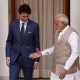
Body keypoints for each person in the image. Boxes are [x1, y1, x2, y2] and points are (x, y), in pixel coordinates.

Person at [29, 14, 80, 80]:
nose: (54, 25)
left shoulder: (72, 34)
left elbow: (75, 53)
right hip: (56, 69)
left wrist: (65, 69)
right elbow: (54, 48)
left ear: (62, 23)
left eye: (56, 24)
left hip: (68, 71)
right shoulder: (57, 32)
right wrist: (41, 53)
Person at [6, 3, 40, 80]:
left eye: (27, 16)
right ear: (19, 14)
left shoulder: (34, 26)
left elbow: (37, 44)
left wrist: (37, 60)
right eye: (23, 16)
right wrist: (8, 56)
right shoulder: (13, 24)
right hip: (14, 59)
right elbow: (9, 41)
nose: (25, 18)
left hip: (28, 59)